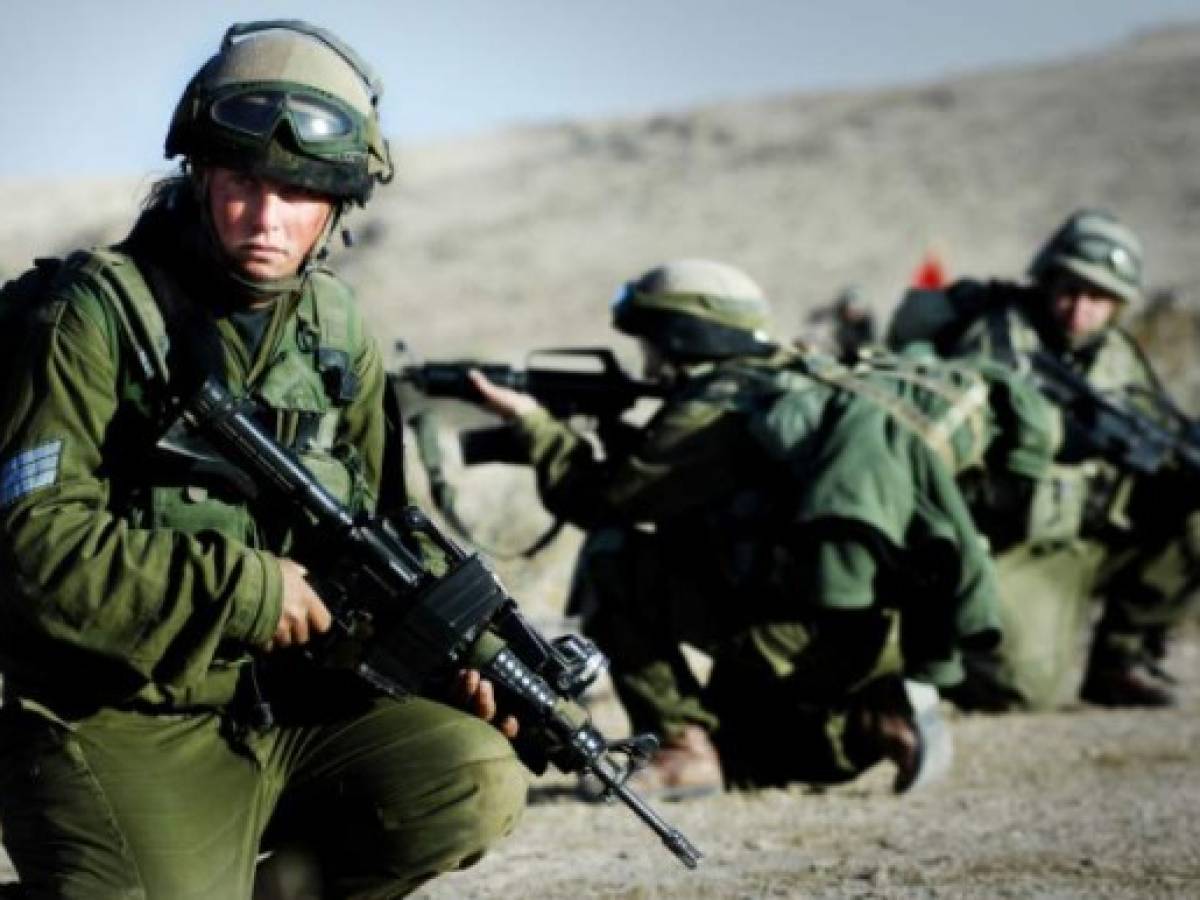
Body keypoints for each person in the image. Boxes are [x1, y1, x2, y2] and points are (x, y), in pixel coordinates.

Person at [0, 21, 526, 898]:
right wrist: (249, 592)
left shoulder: (337, 331)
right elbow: (31, 551)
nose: (266, 218)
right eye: (244, 182)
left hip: (291, 713)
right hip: (114, 721)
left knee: (469, 777)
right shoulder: (92, 318)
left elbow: (389, 534)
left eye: (298, 191)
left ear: (337, 207)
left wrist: (480, 656)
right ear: (202, 174)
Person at [467, 259, 1059, 797]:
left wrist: (534, 425)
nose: (648, 359)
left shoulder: (714, 407)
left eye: (652, 341)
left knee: (613, 553)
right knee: (755, 761)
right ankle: (881, 719)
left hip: (800, 633)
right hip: (890, 624)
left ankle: (682, 744)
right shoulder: (811, 377)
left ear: (682, 335)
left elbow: (601, 500)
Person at [888, 209, 1195, 709]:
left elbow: (1154, 426)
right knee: (1021, 690)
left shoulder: (1117, 355)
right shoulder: (996, 339)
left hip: (1087, 533)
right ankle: (933, 655)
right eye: (1069, 291)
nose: (1079, 311)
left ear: (1118, 305)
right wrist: (1052, 437)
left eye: (1097, 298)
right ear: (1046, 279)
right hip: (1007, 544)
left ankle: (1123, 658)